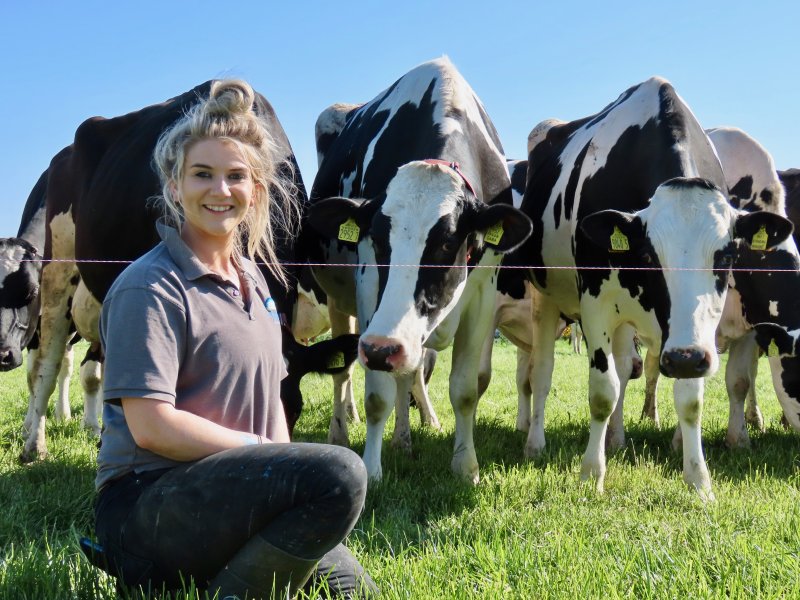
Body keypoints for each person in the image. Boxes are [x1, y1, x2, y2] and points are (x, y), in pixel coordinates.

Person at [93, 79, 376, 599]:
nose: (220, 190)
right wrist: (265, 454)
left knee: (352, 590)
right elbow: (152, 426)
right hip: (147, 503)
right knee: (341, 473)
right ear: (174, 186)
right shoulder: (149, 286)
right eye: (202, 174)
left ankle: (223, 581)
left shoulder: (256, 283)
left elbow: (271, 413)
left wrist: (282, 471)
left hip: (238, 489)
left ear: (257, 189)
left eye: (235, 176)